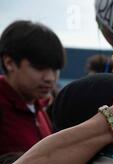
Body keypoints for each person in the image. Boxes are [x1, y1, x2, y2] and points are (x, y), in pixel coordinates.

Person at [0, 20, 65, 155]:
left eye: (55, 69)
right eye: (40, 67)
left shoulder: (37, 105)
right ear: (9, 62)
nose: (50, 78)